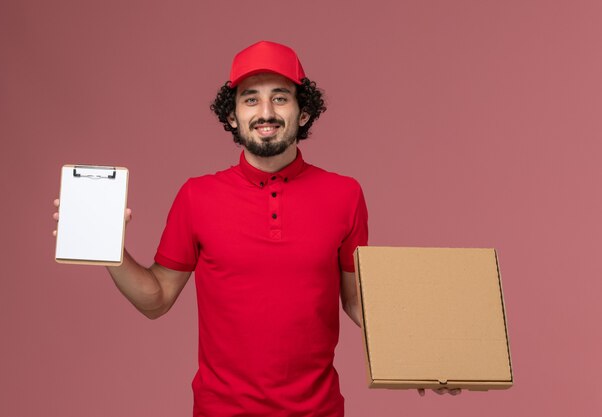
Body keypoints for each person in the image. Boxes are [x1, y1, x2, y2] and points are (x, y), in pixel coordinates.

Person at [53, 40, 458, 417]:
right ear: (233, 116)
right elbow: (156, 299)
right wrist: (108, 248)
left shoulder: (345, 194)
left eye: (279, 98)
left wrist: (425, 356)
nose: (265, 112)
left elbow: (355, 301)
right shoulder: (197, 196)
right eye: (251, 100)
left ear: (304, 112)